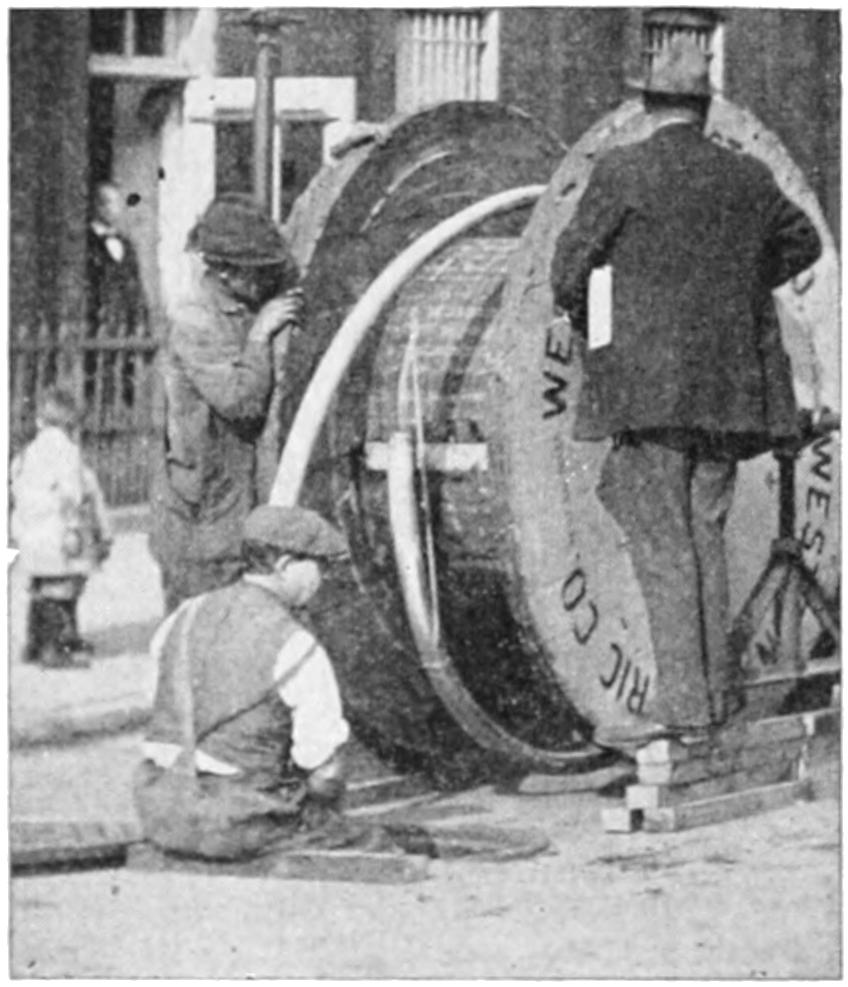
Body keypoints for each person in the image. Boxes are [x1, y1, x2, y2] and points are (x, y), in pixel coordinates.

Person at [549, 37, 822, 748]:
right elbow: (804, 244)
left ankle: (684, 712)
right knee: (703, 539)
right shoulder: (748, 176)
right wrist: (736, 282)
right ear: (705, 110)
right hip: (729, 399)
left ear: (648, 106)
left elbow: (567, 272)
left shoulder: (623, 169)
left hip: (648, 395)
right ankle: (714, 698)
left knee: (662, 542)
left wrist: (606, 313)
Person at [134, 504, 354, 861]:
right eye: (319, 565)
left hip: (161, 813)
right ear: (284, 565)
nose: (323, 578)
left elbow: (155, 699)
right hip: (237, 823)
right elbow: (326, 772)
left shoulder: (185, 613)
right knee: (368, 839)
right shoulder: (296, 644)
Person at [149, 193, 303, 613]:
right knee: (202, 630)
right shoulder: (196, 320)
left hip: (233, 512)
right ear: (222, 270)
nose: (267, 280)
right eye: (257, 271)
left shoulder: (242, 303)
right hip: (202, 522)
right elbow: (240, 402)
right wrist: (260, 336)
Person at [10, 387, 113, 669]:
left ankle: (36, 643)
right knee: (63, 587)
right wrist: (77, 526)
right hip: (59, 531)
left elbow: (16, 483)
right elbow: (73, 493)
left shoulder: (29, 450)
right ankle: (54, 648)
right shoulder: (67, 451)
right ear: (71, 421)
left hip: (31, 532)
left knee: (41, 587)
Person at [86, 181, 150, 409]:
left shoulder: (126, 245)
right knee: (95, 383)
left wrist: (143, 320)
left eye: (118, 203)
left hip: (125, 325)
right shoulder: (86, 243)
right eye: (110, 203)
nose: (116, 209)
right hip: (97, 324)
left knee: (125, 382)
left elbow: (136, 286)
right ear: (99, 206)